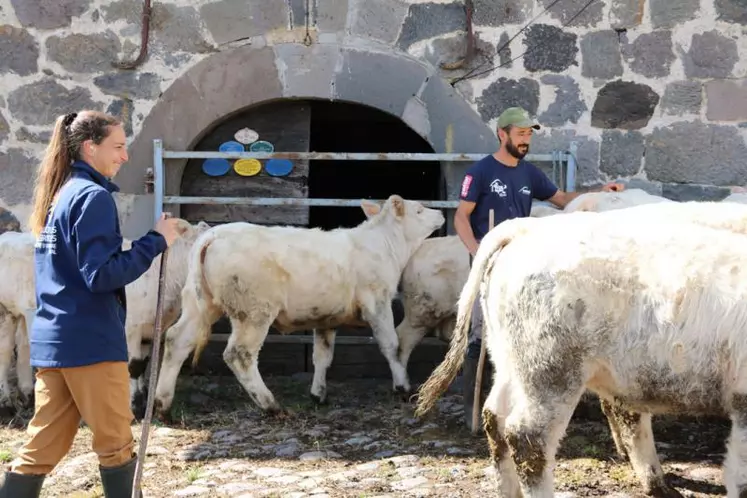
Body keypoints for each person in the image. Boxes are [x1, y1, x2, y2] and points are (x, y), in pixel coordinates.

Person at [0, 110, 183, 497]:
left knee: (40, 448)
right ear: (90, 147)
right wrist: (155, 241)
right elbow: (100, 276)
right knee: (116, 446)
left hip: (55, 341)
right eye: (117, 147)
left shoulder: (61, 194)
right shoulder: (93, 197)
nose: (124, 156)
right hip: (91, 344)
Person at [453, 106, 624, 431]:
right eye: (520, 134)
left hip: (518, 265)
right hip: (487, 263)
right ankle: (472, 416)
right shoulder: (480, 172)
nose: (525, 140)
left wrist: (597, 194)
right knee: (479, 335)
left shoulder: (529, 173)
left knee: (517, 335)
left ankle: (512, 412)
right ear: (502, 134)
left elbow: (561, 199)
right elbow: (461, 216)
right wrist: (478, 251)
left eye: (529, 134)